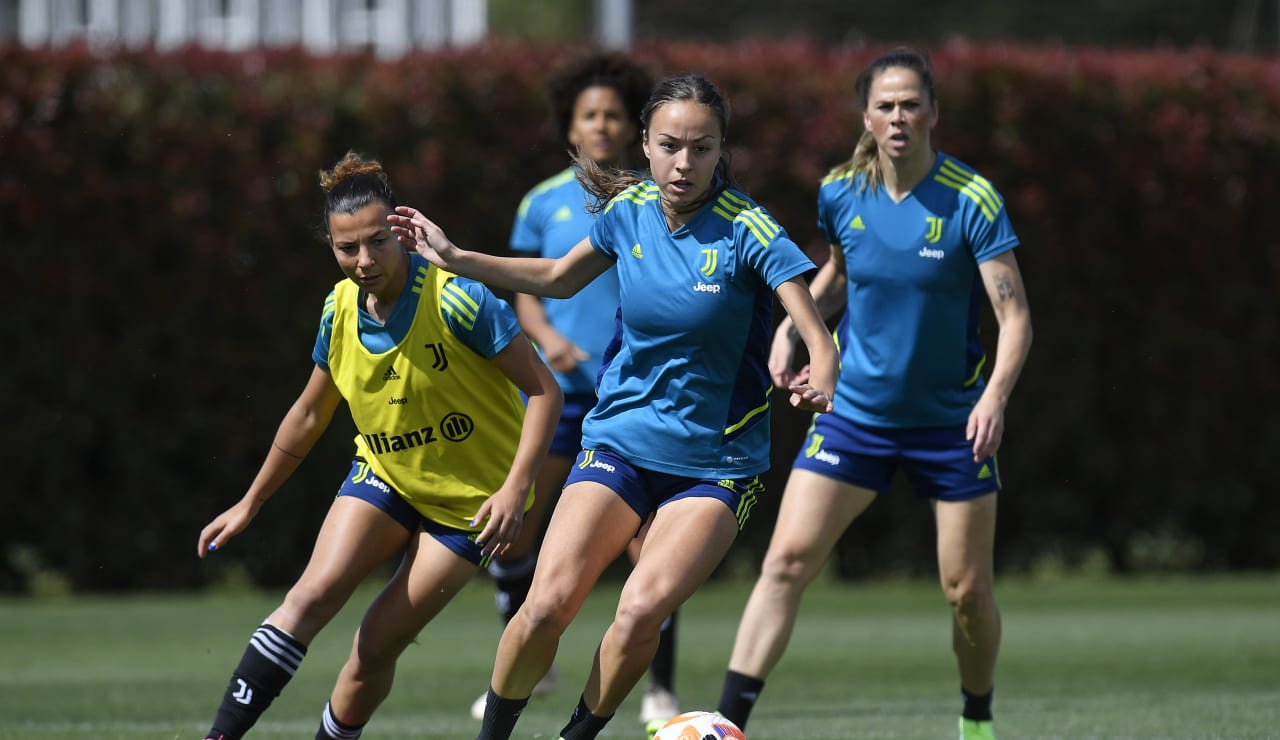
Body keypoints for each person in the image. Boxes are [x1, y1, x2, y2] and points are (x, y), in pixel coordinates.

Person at [389, 72, 840, 740]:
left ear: (721, 151)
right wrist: (455, 256)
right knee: (544, 608)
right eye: (670, 146)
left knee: (639, 614)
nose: (685, 163)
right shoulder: (626, 210)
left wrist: (822, 368)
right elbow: (554, 278)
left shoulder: (748, 227)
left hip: (714, 466)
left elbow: (811, 321)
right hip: (620, 445)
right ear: (646, 145)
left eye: (702, 148)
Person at [714, 47, 1033, 740]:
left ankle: (976, 719)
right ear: (866, 115)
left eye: (911, 103)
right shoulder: (841, 192)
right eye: (885, 105)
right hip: (854, 414)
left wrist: (995, 399)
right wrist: (793, 334)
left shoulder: (970, 199)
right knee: (786, 562)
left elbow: (1014, 317)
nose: (898, 116)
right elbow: (836, 278)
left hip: (953, 424)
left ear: (932, 113)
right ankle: (725, 726)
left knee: (967, 594)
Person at [196, 151, 562, 740]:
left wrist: (517, 489)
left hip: (466, 509)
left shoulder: (457, 300)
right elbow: (310, 413)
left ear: (402, 233)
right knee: (309, 597)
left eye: (376, 243)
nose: (363, 261)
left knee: (371, 650)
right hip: (385, 477)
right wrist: (250, 503)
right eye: (347, 248)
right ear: (331, 246)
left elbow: (546, 392)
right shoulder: (338, 309)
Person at [469, 51, 683, 732]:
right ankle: (536, 667)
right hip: (559, 394)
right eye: (589, 114)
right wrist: (548, 343)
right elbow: (530, 291)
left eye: (613, 115)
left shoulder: (656, 202)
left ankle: (660, 691)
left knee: (651, 553)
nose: (600, 125)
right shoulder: (542, 202)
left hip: (632, 402)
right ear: (571, 125)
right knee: (516, 534)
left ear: (633, 127)